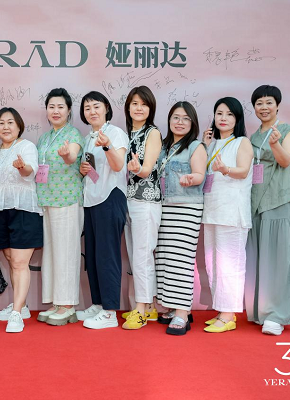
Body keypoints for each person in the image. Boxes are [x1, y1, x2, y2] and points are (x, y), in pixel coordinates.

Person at [244, 85, 290, 335]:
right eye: (259, 103)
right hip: (255, 201)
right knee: (258, 259)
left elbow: (286, 160)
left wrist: (276, 144)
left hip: (279, 199)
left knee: (279, 259)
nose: (264, 107)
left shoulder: (289, 131)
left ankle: (276, 316)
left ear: (277, 105)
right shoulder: (252, 137)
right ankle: (259, 311)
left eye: (269, 102)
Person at [0, 107, 43, 333]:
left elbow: (30, 171)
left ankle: (17, 313)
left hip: (23, 209)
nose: (6, 127)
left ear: (19, 126)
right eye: (1, 123)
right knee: (11, 259)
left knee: (19, 262)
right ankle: (22, 305)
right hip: (0, 209)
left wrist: (22, 168)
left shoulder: (26, 146)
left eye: (10, 122)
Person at [76, 91, 128, 329]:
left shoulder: (115, 133)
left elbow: (118, 166)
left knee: (108, 255)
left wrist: (107, 145)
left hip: (110, 197)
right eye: (87, 108)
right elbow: (93, 171)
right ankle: (98, 304)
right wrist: (84, 170)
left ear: (106, 107)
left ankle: (109, 312)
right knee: (94, 255)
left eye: (96, 106)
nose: (92, 111)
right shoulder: (88, 138)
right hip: (92, 200)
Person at [201, 98, 253, 333]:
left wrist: (226, 169)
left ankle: (229, 314)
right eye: (219, 113)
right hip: (212, 211)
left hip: (232, 213)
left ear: (237, 118)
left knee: (230, 265)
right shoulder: (212, 144)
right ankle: (221, 309)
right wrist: (204, 146)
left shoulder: (242, 142)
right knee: (213, 264)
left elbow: (243, 171)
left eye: (229, 114)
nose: (223, 118)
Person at [155, 101, 207, 336]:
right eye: (176, 117)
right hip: (163, 207)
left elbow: (199, 174)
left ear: (193, 123)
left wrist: (191, 178)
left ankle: (182, 313)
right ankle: (172, 307)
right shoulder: (164, 146)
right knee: (165, 259)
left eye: (186, 118)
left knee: (181, 261)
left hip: (186, 207)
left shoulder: (195, 146)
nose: (180, 122)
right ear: (169, 120)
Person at [35, 88, 84, 326]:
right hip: (47, 200)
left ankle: (67, 305)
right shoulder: (44, 138)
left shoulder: (73, 134)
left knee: (66, 252)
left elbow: (72, 156)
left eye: (60, 107)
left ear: (68, 110)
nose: (56, 111)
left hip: (67, 200)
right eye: (51, 106)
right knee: (53, 253)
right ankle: (56, 302)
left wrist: (67, 156)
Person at [121, 86, 163, 330]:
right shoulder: (127, 134)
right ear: (128, 107)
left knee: (142, 256)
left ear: (151, 109)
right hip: (128, 200)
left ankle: (141, 309)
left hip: (146, 201)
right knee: (135, 254)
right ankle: (149, 307)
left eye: (144, 104)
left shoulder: (152, 133)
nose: (139, 108)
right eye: (135, 103)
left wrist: (137, 168)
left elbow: (147, 169)